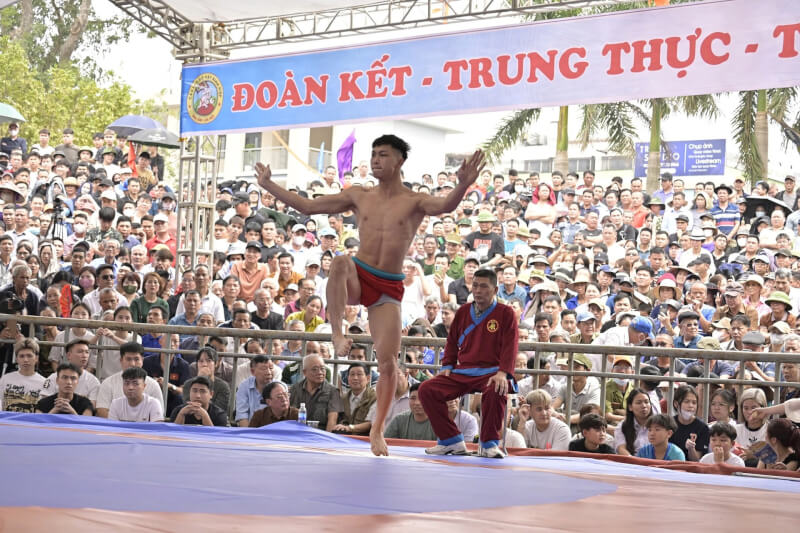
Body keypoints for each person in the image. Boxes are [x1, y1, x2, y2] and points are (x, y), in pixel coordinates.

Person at [256, 135, 485, 456]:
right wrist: (269, 184)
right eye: (374, 154)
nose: (376, 159)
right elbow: (308, 206)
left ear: (399, 161)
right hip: (358, 276)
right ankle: (337, 333)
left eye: (383, 154)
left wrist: (462, 184)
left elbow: (444, 206)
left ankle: (377, 431)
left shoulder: (414, 200)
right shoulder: (359, 195)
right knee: (339, 262)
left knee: (389, 363)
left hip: (388, 286)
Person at [418, 268, 518, 458]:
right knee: (427, 389)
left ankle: (489, 444)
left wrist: (503, 372)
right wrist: (447, 366)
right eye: (475, 286)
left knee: (497, 388)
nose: (478, 290)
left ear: (495, 290)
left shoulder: (506, 313)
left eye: (484, 286)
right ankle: (451, 440)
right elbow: (452, 341)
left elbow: (510, 345)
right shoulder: (463, 311)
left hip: (492, 372)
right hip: (463, 371)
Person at [288, 354, 342, 431]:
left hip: (320, 433)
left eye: (322, 369)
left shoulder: (333, 391)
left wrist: (325, 437)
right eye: (314, 369)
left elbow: (332, 421)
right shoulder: (295, 389)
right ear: (305, 372)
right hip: (297, 432)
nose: (320, 372)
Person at [0, 338, 45, 412]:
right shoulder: (5, 379)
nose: (25, 360)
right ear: (17, 359)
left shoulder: (44, 383)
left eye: (29, 356)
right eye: (21, 356)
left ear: (36, 358)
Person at [331, 362, 376, 436]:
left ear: (368, 378)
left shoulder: (374, 397)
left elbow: (370, 423)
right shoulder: (344, 398)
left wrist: (349, 428)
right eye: (352, 374)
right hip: (345, 436)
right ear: (348, 378)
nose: (355, 378)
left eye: (359, 374)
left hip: (365, 438)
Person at [669, 384, 709, 461]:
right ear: (676, 404)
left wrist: (691, 449)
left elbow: (698, 460)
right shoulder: (668, 424)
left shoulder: (703, 428)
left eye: (694, 403)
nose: (691, 406)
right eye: (686, 402)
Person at [614, 388, 653, 456]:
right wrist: (635, 460)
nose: (644, 406)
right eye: (639, 403)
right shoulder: (622, 427)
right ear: (630, 407)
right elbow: (621, 449)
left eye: (646, 402)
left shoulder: (658, 425)